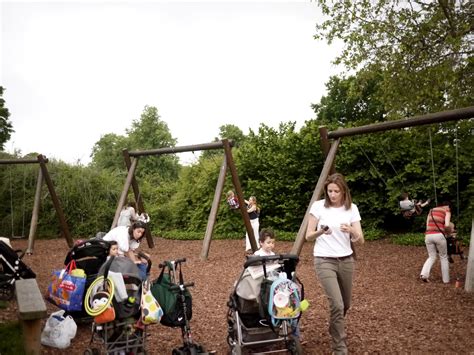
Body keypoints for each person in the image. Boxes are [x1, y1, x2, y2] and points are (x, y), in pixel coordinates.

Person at [305, 173, 364, 355]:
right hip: (324, 260)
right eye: (329, 191)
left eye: (336, 191)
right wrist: (321, 231)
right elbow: (308, 236)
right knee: (337, 304)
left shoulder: (351, 208)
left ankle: (334, 328)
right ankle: (339, 346)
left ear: (343, 191)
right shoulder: (318, 207)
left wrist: (351, 229)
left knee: (345, 304)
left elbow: (360, 239)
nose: (332, 194)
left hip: (346, 260)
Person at [420, 200, 452, 283]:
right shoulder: (447, 210)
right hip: (439, 236)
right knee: (443, 257)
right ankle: (446, 280)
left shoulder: (431, 210)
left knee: (431, 257)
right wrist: (449, 233)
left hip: (428, 236)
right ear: (448, 206)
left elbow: (427, 225)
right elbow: (447, 225)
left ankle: (424, 274)